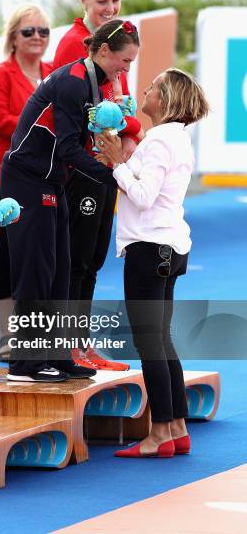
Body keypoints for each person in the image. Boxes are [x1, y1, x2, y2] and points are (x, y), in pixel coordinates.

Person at [1, 19, 140, 383]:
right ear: (105, 51)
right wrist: (113, 176)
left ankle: (59, 355)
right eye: (125, 61)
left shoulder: (98, 81)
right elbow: (66, 146)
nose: (127, 70)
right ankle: (23, 363)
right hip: (27, 178)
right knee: (37, 270)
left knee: (62, 270)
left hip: (53, 179)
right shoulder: (73, 81)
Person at [96, 68, 209, 457]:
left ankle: (160, 432)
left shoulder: (160, 140)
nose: (144, 90)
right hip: (168, 246)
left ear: (166, 99)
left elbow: (143, 195)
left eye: (153, 87)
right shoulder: (177, 138)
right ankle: (175, 427)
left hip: (151, 248)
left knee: (150, 344)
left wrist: (116, 163)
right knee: (161, 340)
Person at [53, 0, 142, 372]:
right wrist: (131, 126)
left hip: (102, 166)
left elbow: (120, 108)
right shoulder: (78, 44)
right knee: (78, 258)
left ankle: (81, 345)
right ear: (84, 1)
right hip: (82, 169)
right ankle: (68, 346)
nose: (110, 7)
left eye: (116, 0)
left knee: (91, 259)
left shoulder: (115, 42)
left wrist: (128, 129)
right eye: (102, 1)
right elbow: (100, 115)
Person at [0, 4, 52, 361]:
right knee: (5, 260)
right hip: (3, 184)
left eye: (42, 31)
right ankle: (8, 336)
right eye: (28, 31)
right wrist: (44, 126)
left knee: (40, 262)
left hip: (46, 183)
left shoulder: (53, 73)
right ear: (12, 38)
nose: (36, 37)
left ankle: (36, 334)